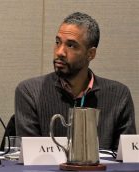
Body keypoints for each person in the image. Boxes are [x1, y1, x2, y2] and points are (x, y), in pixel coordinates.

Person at [15, 12, 136, 151]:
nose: (60, 52)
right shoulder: (30, 92)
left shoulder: (118, 95)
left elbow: (127, 161)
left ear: (91, 54)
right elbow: (31, 160)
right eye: (57, 42)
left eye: (71, 45)